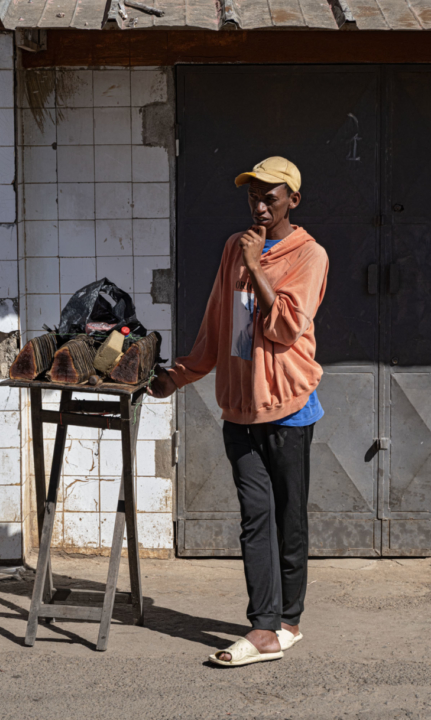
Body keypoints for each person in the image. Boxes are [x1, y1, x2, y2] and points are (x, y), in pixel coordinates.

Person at [148, 156, 329, 667]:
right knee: (255, 518)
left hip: (289, 410)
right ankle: (265, 627)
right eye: (253, 196)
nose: (259, 206)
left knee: (290, 519)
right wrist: (178, 376)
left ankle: (289, 621)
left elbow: (286, 327)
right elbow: (219, 324)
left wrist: (256, 264)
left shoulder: (309, 254)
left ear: (293, 200)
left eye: (270, 197)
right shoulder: (235, 246)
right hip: (239, 411)